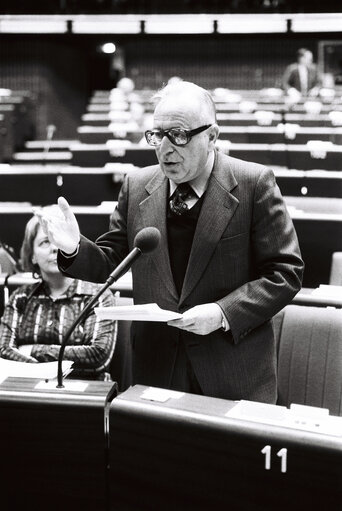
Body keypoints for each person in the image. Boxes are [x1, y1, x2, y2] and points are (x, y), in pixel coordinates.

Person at [37, 81, 304, 403]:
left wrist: (222, 313)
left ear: (212, 136)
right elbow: (112, 260)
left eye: (178, 135)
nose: (164, 149)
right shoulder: (137, 185)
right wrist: (72, 248)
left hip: (232, 370)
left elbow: (284, 273)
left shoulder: (253, 183)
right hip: (158, 366)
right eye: (156, 135)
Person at [0, 206, 117, 380]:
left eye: (58, 241)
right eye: (45, 242)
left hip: (85, 395)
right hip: (29, 392)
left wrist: (32, 350)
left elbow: (98, 356)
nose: (54, 249)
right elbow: (3, 349)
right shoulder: (20, 298)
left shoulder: (99, 295)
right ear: (32, 255)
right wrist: (42, 371)